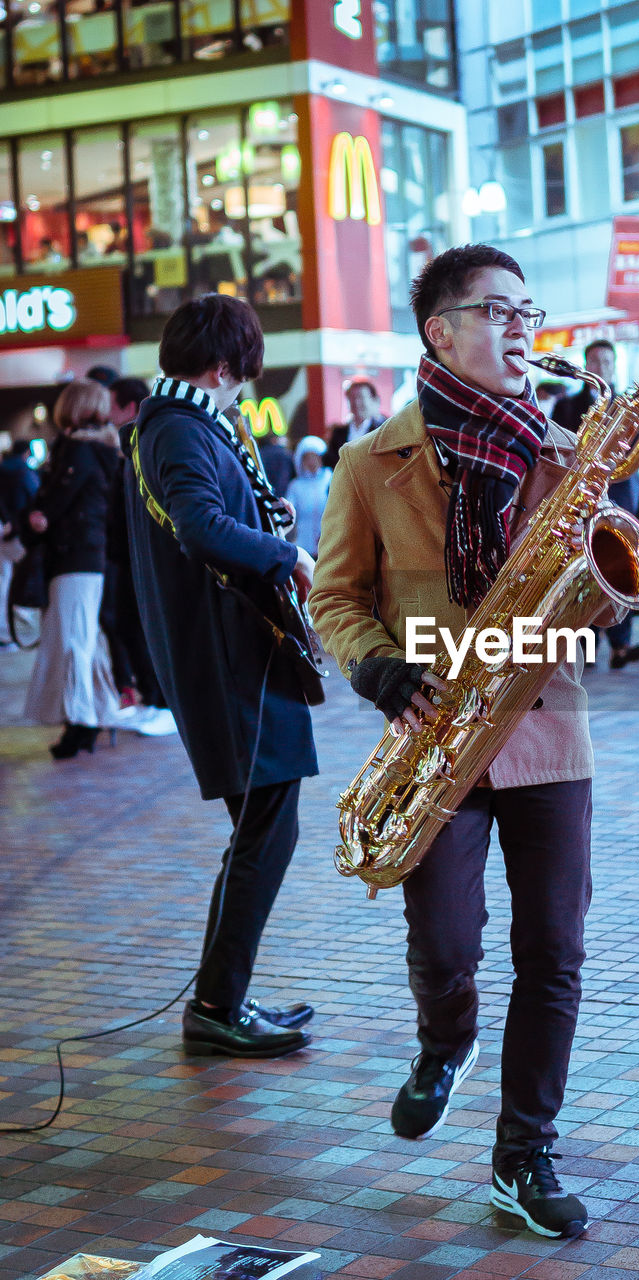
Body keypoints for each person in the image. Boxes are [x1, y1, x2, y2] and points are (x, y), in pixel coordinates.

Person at [309, 243, 594, 1240]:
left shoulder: (566, 450)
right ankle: (445, 1037)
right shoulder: (369, 462)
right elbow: (334, 596)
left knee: (554, 949)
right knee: (444, 939)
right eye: (498, 310)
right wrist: (380, 667)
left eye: (529, 310)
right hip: (433, 734)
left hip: (545, 724)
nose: (524, 327)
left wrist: (594, 589)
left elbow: (597, 588)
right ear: (440, 331)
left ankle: (524, 1153)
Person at [122, 293, 318, 1058]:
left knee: (262, 828)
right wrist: (289, 557)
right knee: (268, 827)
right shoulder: (177, 427)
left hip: (234, 657)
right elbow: (203, 528)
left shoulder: (174, 422)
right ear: (225, 365)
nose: (246, 389)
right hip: (232, 661)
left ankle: (222, 993)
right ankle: (215, 1003)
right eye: (244, 374)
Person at [22, 380, 123, 757]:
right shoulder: (101, 449)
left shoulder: (76, 451)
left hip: (73, 556)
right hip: (88, 556)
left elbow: (52, 505)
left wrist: (36, 518)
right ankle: (93, 715)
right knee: (83, 639)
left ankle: (80, 724)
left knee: (71, 642)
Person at [552, 340, 639, 668]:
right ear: (586, 365)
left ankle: (622, 645)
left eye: (607, 360)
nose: (601, 366)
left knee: (622, 569)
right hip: (582, 498)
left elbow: (637, 447)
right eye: (595, 360)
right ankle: (587, 647)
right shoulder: (567, 406)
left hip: (620, 496)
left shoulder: (628, 405)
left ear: (615, 364)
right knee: (583, 571)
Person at [102, 378, 177, 734]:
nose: (107, 413)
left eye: (112, 405)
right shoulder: (129, 446)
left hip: (140, 555)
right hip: (125, 552)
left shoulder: (147, 442)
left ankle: (162, 702)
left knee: (141, 627)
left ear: (130, 406)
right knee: (128, 625)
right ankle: (152, 698)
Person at [0, 439, 41, 646]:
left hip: (4, 528)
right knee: (26, 568)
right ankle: (20, 610)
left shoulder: (3, 468)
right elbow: (35, 496)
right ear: (26, 452)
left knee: (4, 576)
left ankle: (7, 625)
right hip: (18, 530)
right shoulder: (24, 472)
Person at [285, 435, 331, 556]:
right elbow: (289, 512)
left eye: (315, 457)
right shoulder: (295, 485)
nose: (311, 462)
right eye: (307, 458)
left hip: (329, 543)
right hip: (304, 544)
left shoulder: (330, 478)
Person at [324, 378, 386, 468]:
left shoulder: (381, 430)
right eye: (352, 398)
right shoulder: (339, 432)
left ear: (372, 399)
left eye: (361, 397)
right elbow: (331, 461)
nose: (356, 402)